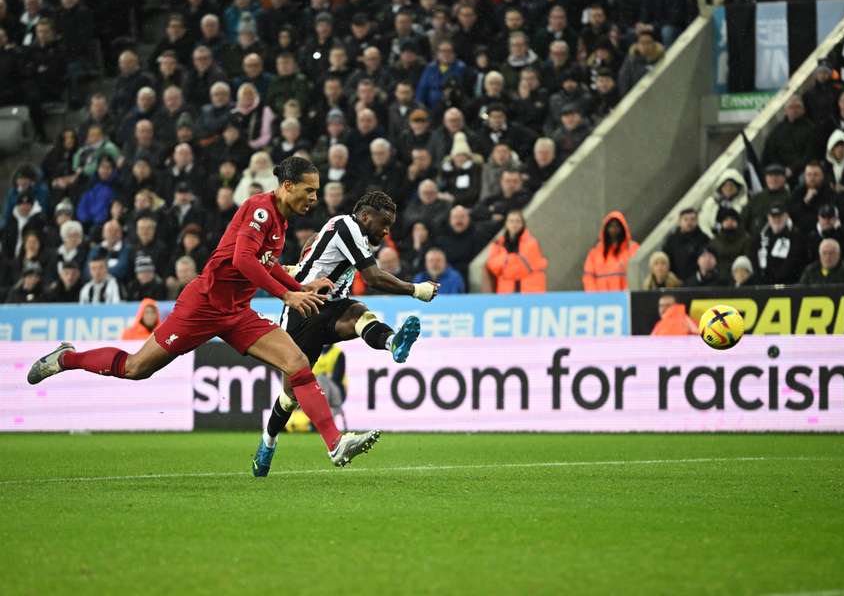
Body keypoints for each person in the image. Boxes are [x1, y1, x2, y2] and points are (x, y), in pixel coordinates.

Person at [28, 158, 378, 473]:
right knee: (136, 368)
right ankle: (67, 358)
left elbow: (265, 265)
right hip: (203, 306)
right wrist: (287, 293)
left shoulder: (281, 224)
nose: (314, 198)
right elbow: (243, 260)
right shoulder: (260, 210)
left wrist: (297, 285)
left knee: (297, 362)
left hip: (238, 312)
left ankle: (335, 443)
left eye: (317, 192)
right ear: (287, 186)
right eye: (309, 190)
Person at [260, 189, 440, 476]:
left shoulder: (344, 234)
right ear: (365, 216)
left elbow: (313, 248)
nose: (385, 231)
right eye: (383, 223)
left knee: (357, 313)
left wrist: (302, 267)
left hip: (331, 309)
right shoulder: (347, 225)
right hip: (302, 311)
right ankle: (268, 442)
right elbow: (372, 277)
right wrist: (416, 290)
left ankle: (394, 342)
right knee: (290, 393)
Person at [484, 210, 547, 293]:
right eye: (511, 221)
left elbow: (522, 268)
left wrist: (504, 261)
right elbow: (492, 265)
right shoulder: (498, 243)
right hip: (507, 292)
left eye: (518, 221)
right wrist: (511, 260)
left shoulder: (532, 243)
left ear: (523, 224)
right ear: (506, 224)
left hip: (530, 291)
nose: (514, 224)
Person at [582, 211, 639, 291]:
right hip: (601, 300)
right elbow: (588, 278)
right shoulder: (594, 253)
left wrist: (627, 294)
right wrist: (593, 298)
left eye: (617, 226)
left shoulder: (633, 249)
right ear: (606, 229)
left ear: (623, 228)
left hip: (626, 299)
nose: (614, 230)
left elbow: (637, 275)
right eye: (611, 226)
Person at [753, 203, 807, 285]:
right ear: (768, 218)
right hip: (763, 286)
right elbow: (754, 261)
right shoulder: (760, 238)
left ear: (786, 216)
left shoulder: (795, 237)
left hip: (788, 285)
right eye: (773, 216)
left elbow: (793, 262)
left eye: (779, 216)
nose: (776, 219)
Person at [663, 207, 709, 280]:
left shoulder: (704, 239)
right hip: (676, 282)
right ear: (679, 222)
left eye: (692, 219)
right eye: (685, 219)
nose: (689, 222)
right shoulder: (671, 240)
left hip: (698, 281)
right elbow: (666, 260)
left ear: (697, 221)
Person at [699, 169, 747, 238]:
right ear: (720, 187)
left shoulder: (744, 204)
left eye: (732, 185)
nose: (729, 188)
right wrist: (713, 239)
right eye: (725, 185)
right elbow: (703, 224)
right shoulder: (711, 203)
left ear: (738, 188)